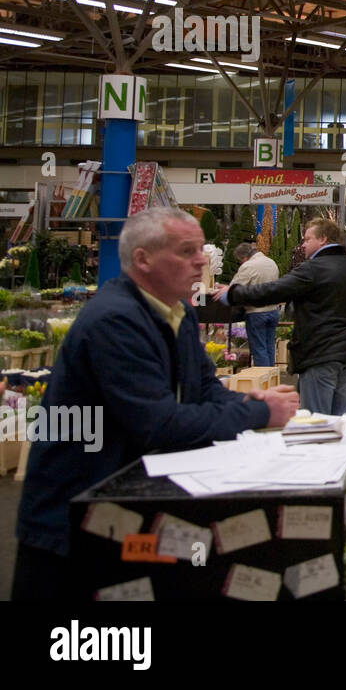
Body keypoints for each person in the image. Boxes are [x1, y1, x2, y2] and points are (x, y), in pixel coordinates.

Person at [12, 208, 298, 600]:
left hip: (124, 506)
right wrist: (260, 411)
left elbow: (204, 388)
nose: (201, 260)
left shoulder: (174, 311)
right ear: (143, 259)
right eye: (186, 251)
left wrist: (248, 398)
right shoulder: (115, 322)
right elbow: (158, 423)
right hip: (73, 521)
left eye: (200, 249)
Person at [217, 217, 346, 415]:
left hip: (319, 353)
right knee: (342, 420)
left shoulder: (312, 269)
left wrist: (232, 294)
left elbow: (273, 291)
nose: (303, 244)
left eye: (307, 239)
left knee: (315, 420)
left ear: (323, 239)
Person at [230, 241, 280, 367]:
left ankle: (262, 381)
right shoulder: (271, 262)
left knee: (259, 349)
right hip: (273, 311)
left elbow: (234, 288)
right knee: (269, 347)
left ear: (244, 258)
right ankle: (271, 378)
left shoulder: (248, 266)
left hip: (256, 312)